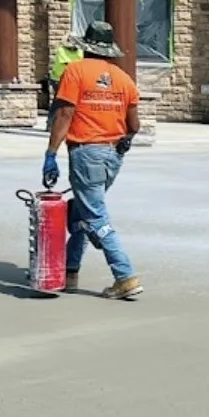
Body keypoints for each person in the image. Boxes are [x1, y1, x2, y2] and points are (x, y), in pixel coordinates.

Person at [41, 19, 143, 300]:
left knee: (94, 216)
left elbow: (64, 115)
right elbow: (134, 125)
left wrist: (51, 153)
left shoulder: (75, 72)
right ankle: (69, 271)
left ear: (86, 48)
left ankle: (125, 275)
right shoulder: (124, 79)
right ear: (109, 50)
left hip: (86, 152)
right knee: (81, 212)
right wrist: (122, 143)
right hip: (113, 156)